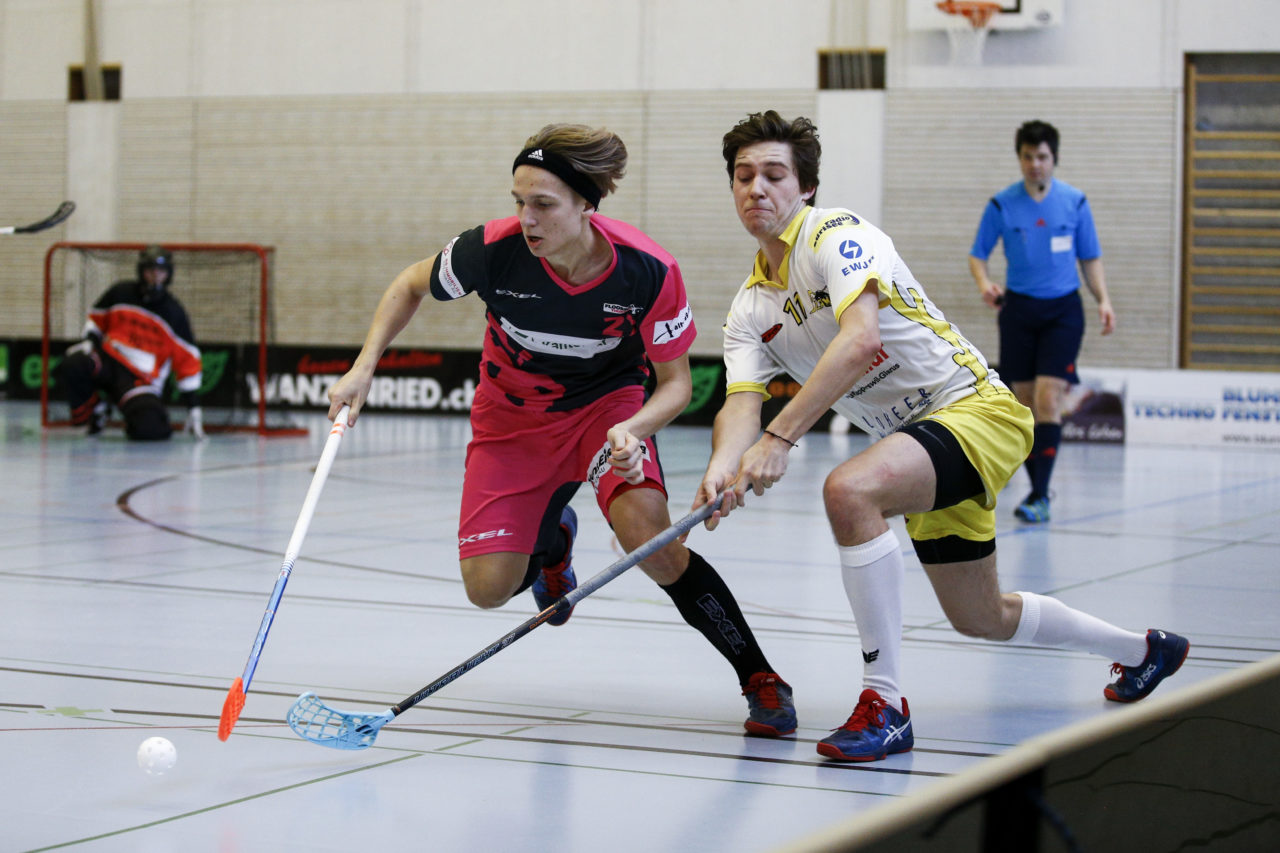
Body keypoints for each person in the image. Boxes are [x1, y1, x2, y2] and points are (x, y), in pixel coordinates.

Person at [696, 110, 1187, 763]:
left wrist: (781, 438)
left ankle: (886, 702)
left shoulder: (835, 234)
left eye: (774, 175)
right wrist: (725, 466)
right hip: (917, 443)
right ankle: (1145, 649)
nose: (756, 188)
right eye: (743, 175)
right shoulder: (749, 307)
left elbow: (860, 338)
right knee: (981, 616)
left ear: (805, 187)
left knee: (850, 490)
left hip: (974, 410)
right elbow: (739, 401)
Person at [326, 123, 796, 737]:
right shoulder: (491, 249)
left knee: (649, 539)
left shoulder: (647, 271)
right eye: (519, 201)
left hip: (607, 412)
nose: (526, 218)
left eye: (543, 204)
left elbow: (677, 385)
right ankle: (554, 543)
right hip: (510, 420)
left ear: (585, 205)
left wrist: (633, 429)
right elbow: (409, 284)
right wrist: (364, 367)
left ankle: (759, 676)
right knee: (488, 590)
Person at [968, 120, 1116, 523]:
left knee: (1050, 398)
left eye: (1043, 157)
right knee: (1027, 405)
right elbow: (977, 254)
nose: (1036, 164)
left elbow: (1090, 257)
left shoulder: (1075, 203)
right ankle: (1038, 491)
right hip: (1018, 312)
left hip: (1063, 312)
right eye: (1028, 156)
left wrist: (1103, 299)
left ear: (1055, 158)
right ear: (1020, 159)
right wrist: (984, 283)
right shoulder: (1002, 204)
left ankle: (1038, 494)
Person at [61, 245, 205, 440]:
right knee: (74, 363)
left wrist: (193, 406)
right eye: (150, 270)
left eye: (160, 271)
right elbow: (96, 321)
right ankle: (97, 411)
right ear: (141, 271)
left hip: (140, 378)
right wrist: (89, 341)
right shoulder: (120, 292)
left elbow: (188, 360)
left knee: (149, 429)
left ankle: (136, 413)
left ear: (168, 274)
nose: (155, 276)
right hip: (109, 361)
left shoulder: (174, 313)